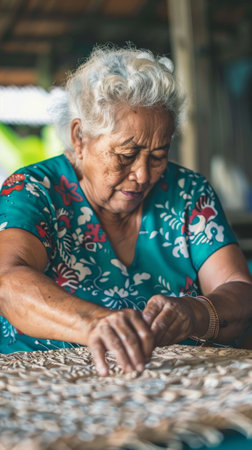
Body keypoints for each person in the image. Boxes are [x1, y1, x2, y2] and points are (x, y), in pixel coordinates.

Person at [0, 46, 251, 376]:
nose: (144, 175)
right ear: (80, 137)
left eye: (158, 155)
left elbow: (240, 291)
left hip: (183, 382)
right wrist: (95, 323)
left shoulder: (188, 192)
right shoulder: (33, 190)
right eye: (125, 155)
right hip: (51, 384)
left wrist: (195, 312)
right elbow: (8, 280)